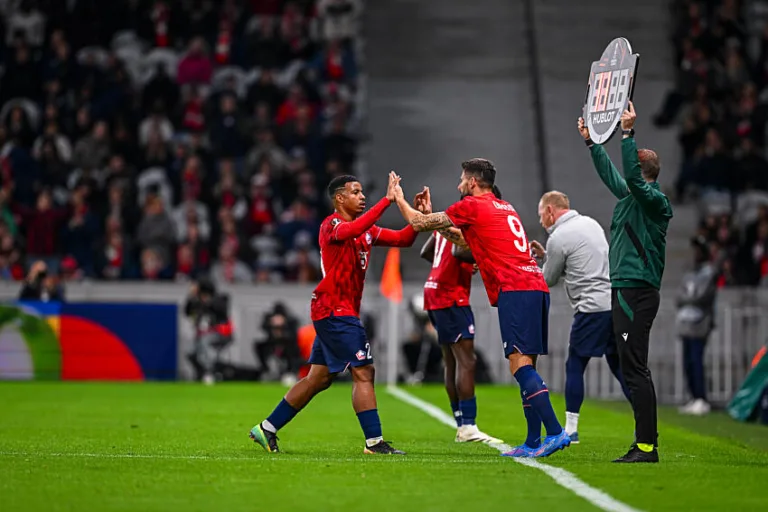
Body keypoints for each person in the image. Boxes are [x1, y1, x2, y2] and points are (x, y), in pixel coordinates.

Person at [395, 159, 571, 458]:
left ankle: (555, 432)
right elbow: (463, 239)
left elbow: (417, 225)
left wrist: (399, 198)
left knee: (519, 365)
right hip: (535, 286)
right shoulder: (505, 206)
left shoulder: (472, 205)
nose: (459, 185)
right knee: (526, 364)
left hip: (515, 290)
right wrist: (432, 217)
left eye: (462, 180)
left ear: (473, 182)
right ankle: (532, 441)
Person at [250, 172, 425, 455]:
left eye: (362, 192)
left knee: (318, 379)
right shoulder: (331, 225)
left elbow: (404, 239)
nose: (362, 197)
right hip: (334, 310)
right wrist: (387, 201)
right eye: (356, 192)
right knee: (364, 371)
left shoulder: (366, 230)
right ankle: (374, 442)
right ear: (340, 198)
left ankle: (266, 428)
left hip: (339, 311)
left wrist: (420, 217)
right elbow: (351, 230)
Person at [579, 101, 673, 463]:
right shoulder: (634, 196)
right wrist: (592, 143)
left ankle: (646, 446)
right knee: (632, 365)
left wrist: (628, 133)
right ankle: (644, 443)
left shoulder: (655, 201)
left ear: (642, 168)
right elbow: (613, 176)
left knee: (635, 367)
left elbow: (629, 179)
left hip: (637, 290)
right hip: (626, 288)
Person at [530, 191, 631, 444]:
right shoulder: (591, 224)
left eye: (541, 214)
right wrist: (548, 257)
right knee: (620, 366)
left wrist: (530, 266)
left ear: (550, 211)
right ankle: (646, 423)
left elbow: (547, 279)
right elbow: (581, 265)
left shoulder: (558, 237)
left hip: (591, 309)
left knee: (575, 364)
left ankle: (571, 430)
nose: (541, 220)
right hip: (613, 305)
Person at [419, 188, 502, 444]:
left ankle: (460, 423)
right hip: (451, 296)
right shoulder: (468, 223)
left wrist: (453, 265)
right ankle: (469, 426)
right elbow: (458, 251)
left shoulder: (447, 220)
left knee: (451, 361)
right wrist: (481, 256)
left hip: (434, 291)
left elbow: (426, 252)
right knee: (467, 361)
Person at [675, 239, 717, 416]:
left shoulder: (709, 273)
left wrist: (688, 298)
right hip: (685, 322)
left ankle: (701, 397)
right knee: (687, 362)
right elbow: (679, 296)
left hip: (700, 323)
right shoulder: (689, 274)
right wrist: (688, 298)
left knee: (696, 360)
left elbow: (702, 296)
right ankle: (693, 396)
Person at [184, 277, 232, 385]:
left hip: (221, 334)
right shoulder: (196, 300)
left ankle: (210, 372)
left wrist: (205, 301)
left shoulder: (220, 299)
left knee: (205, 343)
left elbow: (221, 311)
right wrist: (192, 297)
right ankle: (200, 373)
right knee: (189, 351)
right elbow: (187, 312)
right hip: (201, 334)